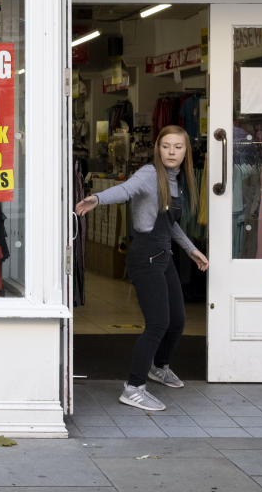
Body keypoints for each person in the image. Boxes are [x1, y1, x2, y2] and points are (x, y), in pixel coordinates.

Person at [75, 124, 208, 411]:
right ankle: (133, 387)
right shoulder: (149, 174)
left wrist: (192, 250)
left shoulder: (176, 181)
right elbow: (125, 190)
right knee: (158, 322)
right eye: (166, 146)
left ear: (186, 152)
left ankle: (158, 367)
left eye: (178, 147)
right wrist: (97, 199)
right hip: (145, 256)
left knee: (178, 320)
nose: (171, 152)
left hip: (164, 255)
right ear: (157, 148)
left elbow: (170, 226)